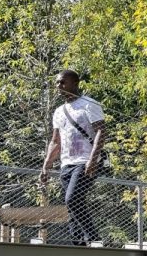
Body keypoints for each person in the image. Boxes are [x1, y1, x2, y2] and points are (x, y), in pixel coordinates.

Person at [39, 70, 105, 245]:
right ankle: (78, 243)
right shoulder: (59, 111)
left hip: (85, 161)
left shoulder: (89, 104)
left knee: (72, 199)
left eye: (63, 82)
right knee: (72, 204)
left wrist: (92, 159)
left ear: (75, 83)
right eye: (57, 83)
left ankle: (94, 238)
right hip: (66, 163)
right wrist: (46, 166)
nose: (59, 86)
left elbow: (101, 131)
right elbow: (55, 141)